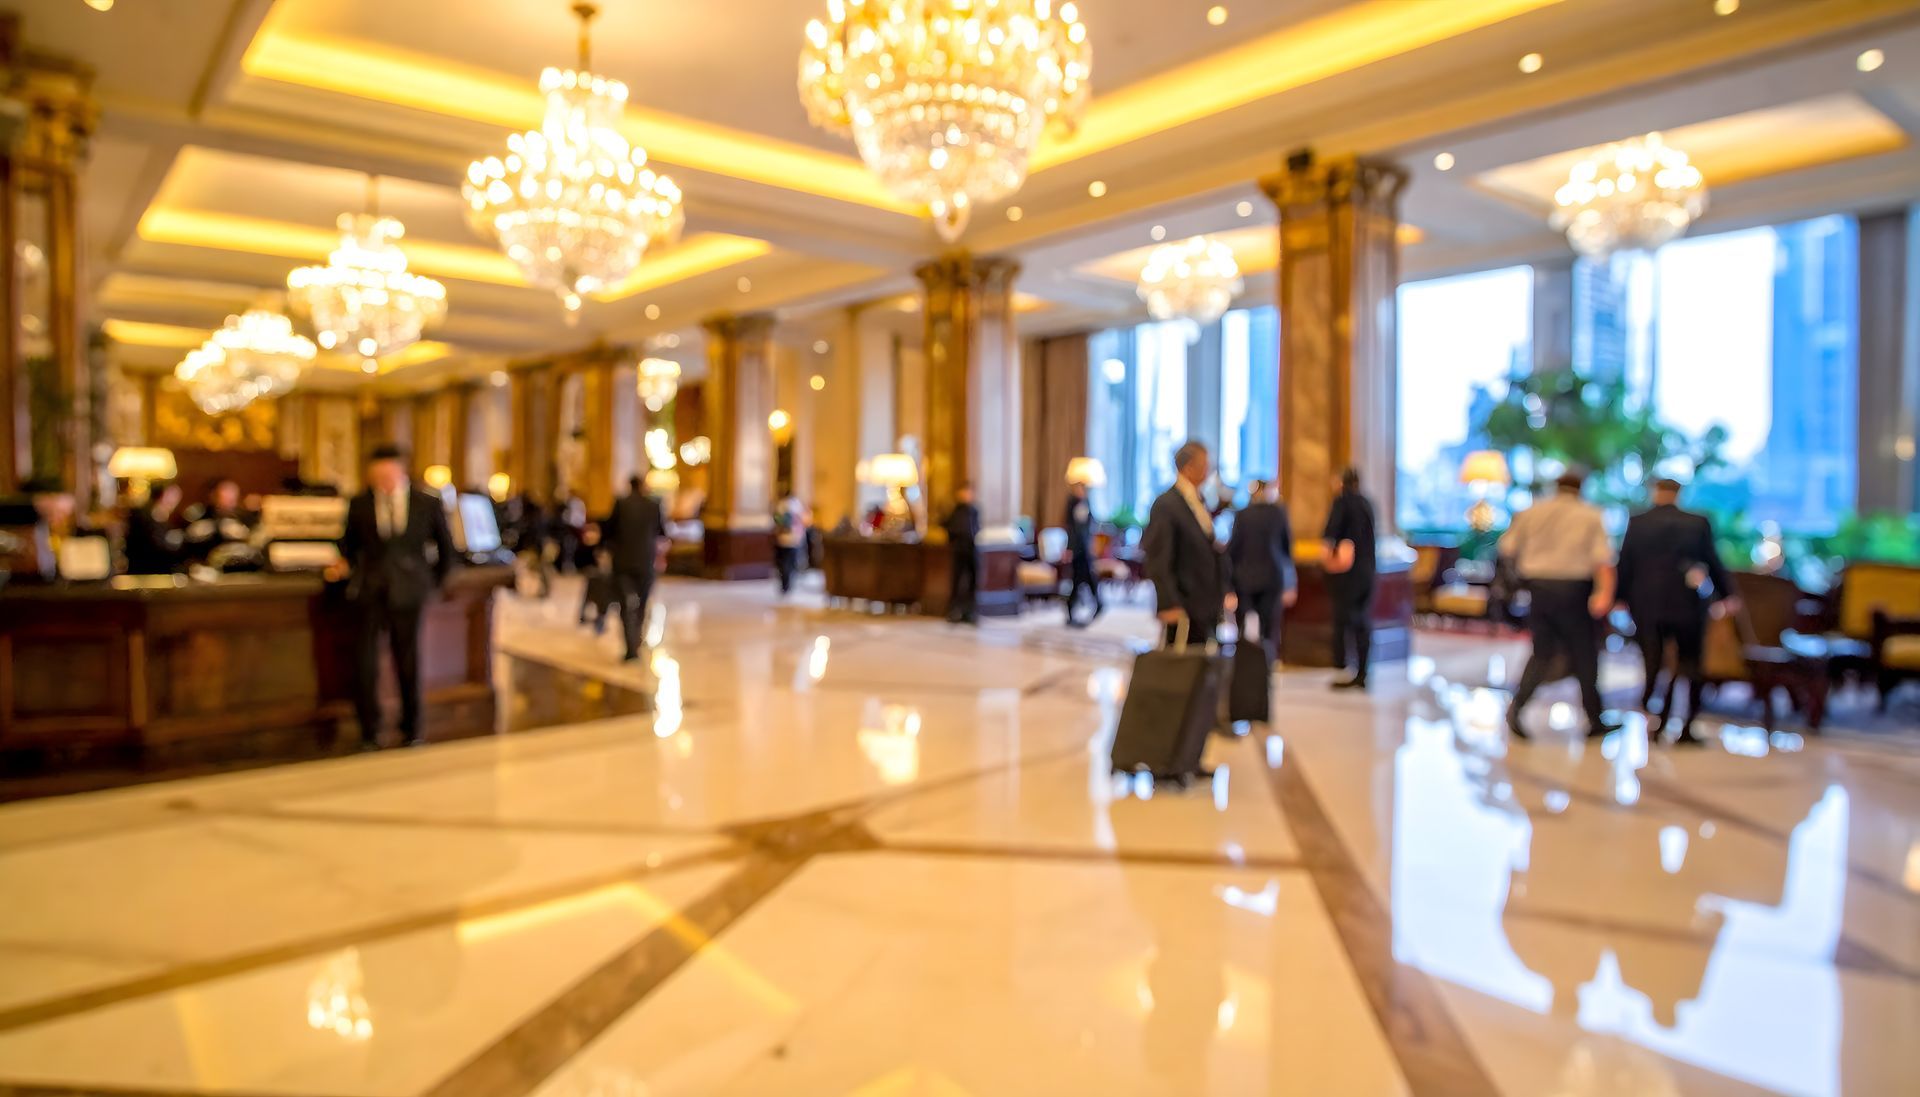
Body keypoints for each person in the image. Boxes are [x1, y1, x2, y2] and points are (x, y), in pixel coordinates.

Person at [331, 444, 456, 748]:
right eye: (377, 475)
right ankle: (369, 730)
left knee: (409, 661)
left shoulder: (425, 503)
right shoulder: (359, 504)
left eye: (388, 474)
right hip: (370, 592)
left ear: (401, 471)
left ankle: (412, 728)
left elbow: (447, 550)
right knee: (366, 663)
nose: (383, 481)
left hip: (410, 592)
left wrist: (433, 585)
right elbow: (347, 546)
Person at [1616, 478, 1736, 746]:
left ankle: (1654, 718)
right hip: (1687, 604)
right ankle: (1686, 727)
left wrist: (1620, 597)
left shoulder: (1638, 522)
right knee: (1690, 663)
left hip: (1647, 604)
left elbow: (1625, 563)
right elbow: (1713, 560)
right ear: (1678, 493)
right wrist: (1727, 595)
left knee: (1653, 663)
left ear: (1655, 492)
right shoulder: (1696, 522)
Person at [1500, 468, 1618, 740]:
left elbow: (1507, 549)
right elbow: (1603, 560)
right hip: (1574, 591)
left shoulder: (1532, 511)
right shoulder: (1589, 515)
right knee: (1584, 654)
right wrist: (1604, 594)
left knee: (1541, 652)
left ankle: (1517, 707)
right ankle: (1594, 718)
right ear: (1581, 487)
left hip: (1539, 589)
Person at [1142, 440, 1234, 647]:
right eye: (1205, 464)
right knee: (1181, 669)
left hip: (1205, 602)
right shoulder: (1166, 504)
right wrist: (1169, 603)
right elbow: (1158, 557)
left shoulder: (1198, 500)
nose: (1209, 470)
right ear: (1190, 466)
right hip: (1183, 602)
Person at [1226, 478, 1296, 656]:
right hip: (1272, 576)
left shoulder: (1242, 514)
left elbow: (1233, 549)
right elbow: (1286, 549)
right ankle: (1267, 662)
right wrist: (1290, 584)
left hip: (1244, 577)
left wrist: (1228, 585)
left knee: (1242, 625)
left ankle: (1242, 661)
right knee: (1269, 627)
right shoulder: (1278, 513)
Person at [1321, 467, 1377, 690]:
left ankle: (1343, 669)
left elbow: (1330, 537)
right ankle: (1363, 671)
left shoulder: (1342, 503)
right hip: (1368, 571)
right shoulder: (1367, 503)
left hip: (1347, 574)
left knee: (1343, 622)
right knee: (1363, 621)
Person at [603, 474, 664, 662]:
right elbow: (661, 531)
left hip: (622, 562)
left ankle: (630, 647)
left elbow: (609, 532)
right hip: (645, 561)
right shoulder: (653, 505)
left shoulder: (620, 504)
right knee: (642, 603)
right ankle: (637, 639)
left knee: (625, 603)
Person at [182, 477, 252, 562]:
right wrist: (218, 528)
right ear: (213, 495)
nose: (230, 499)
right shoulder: (198, 514)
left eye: (233, 494)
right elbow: (189, 539)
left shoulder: (243, 517)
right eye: (226, 494)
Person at [1064, 478, 1103, 627]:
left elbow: (1089, 527)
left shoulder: (1087, 503)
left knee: (1082, 580)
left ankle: (1095, 603)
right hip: (1077, 550)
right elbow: (1072, 529)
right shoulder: (1072, 504)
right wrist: (1070, 548)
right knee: (1079, 580)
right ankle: (1096, 603)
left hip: (1085, 550)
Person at [123, 481, 184, 576]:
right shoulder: (143, 517)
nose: (176, 500)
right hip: (144, 573)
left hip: (161, 571)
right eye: (173, 495)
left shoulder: (167, 520)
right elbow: (151, 547)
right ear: (162, 495)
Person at [943, 482, 981, 625]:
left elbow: (977, 528)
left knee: (973, 581)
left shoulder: (975, 510)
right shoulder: (955, 511)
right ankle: (954, 611)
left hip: (972, 549)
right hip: (959, 549)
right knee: (957, 581)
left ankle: (970, 612)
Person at [773, 490, 811, 596]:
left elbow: (776, 519)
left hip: (782, 538)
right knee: (791, 562)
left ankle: (784, 584)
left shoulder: (781, 505)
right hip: (795, 538)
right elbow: (804, 521)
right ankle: (789, 583)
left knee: (783, 562)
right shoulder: (797, 505)